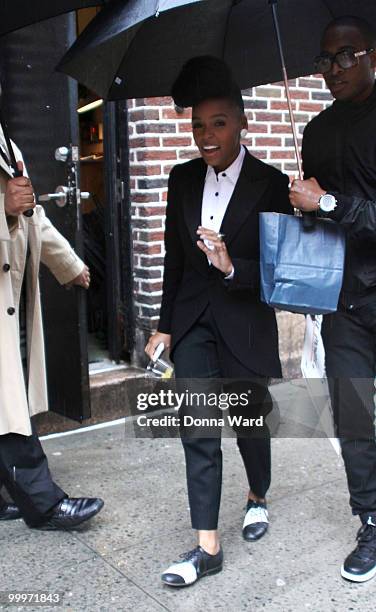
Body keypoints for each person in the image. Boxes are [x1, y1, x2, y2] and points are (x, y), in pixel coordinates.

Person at [145, 56, 291, 587]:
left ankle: (257, 495)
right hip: (192, 323)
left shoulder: (272, 184)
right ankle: (207, 544)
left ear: (242, 122)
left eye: (219, 124)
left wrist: (233, 266)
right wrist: (164, 324)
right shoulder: (182, 178)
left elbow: (280, 270)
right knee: (199, 429)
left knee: (250, 421)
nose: (206, 137)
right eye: (198, 126)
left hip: (245, 318)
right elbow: (173, 258)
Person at [290, 15, 376, 583]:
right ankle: (371, 520)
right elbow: (318, 222)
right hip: (345, 300)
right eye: (325, 60)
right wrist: (304, 209)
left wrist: (327, 206)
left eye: (346, 56)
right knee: (354, 415)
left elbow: (345, 212)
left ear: (372, 56)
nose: (333, 70)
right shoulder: (316, 132)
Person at [0, 114, 104, 529]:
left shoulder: (7, 143)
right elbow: (14, 209)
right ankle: (44, 506)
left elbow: (32, 215)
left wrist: (70, 265)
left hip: (11, 296)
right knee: (8, 404)